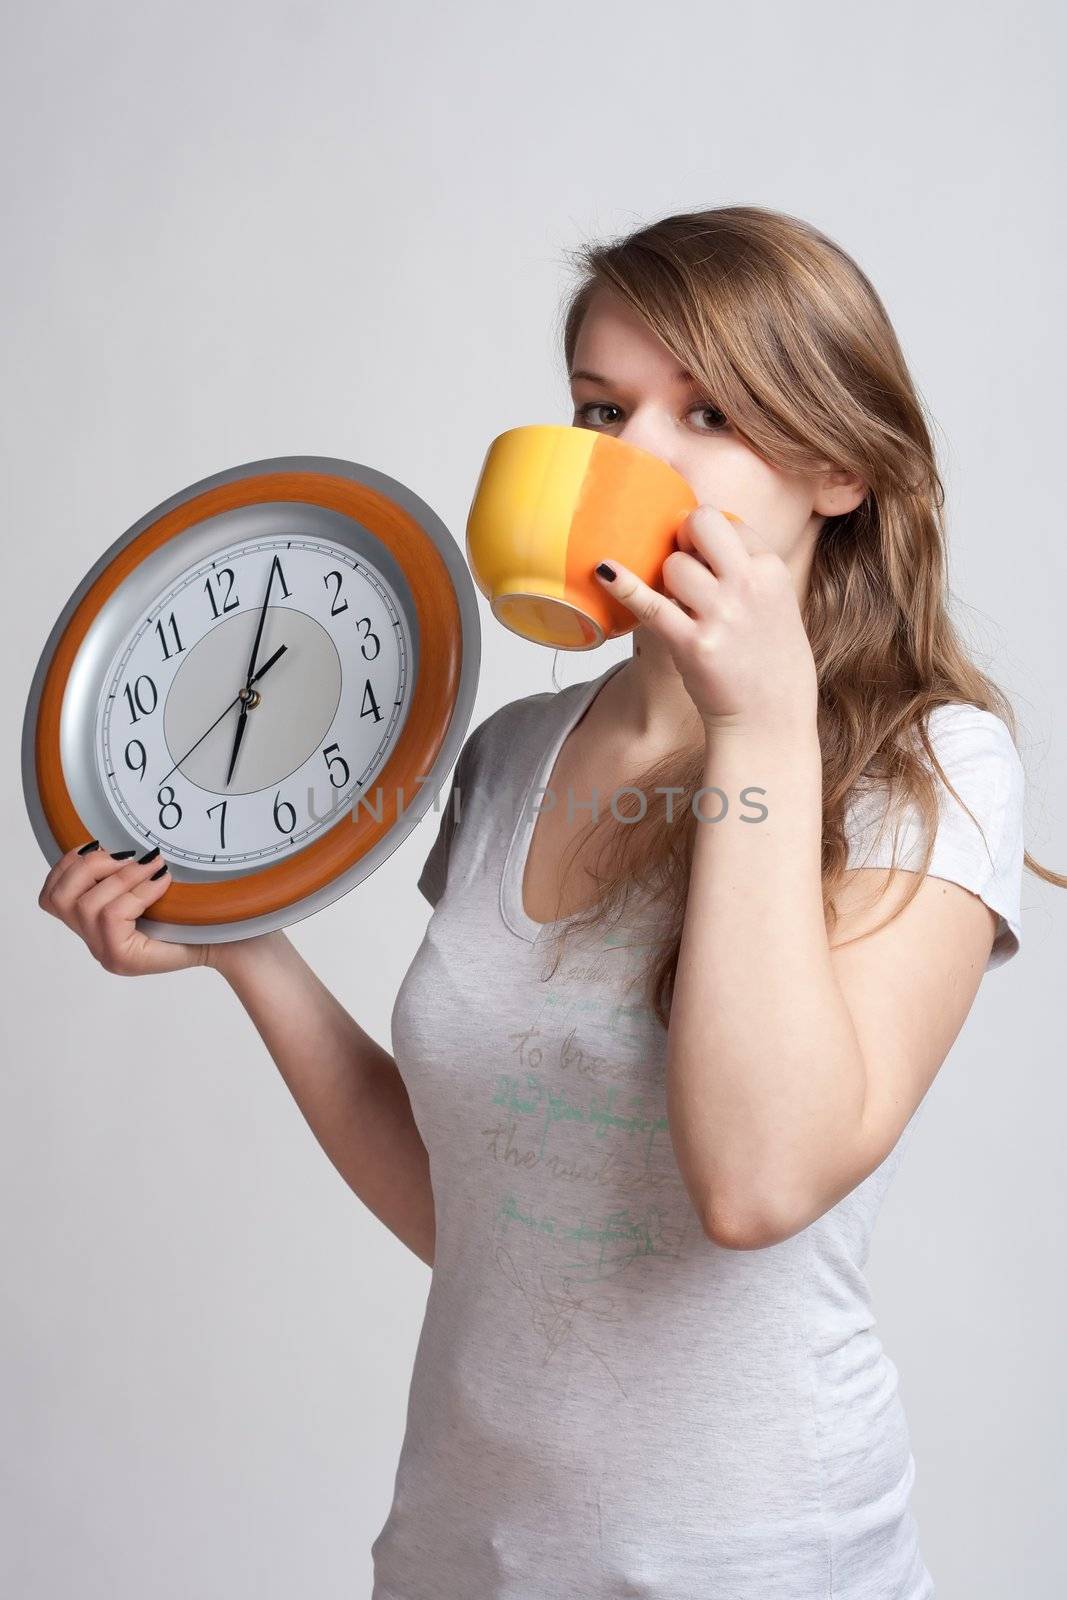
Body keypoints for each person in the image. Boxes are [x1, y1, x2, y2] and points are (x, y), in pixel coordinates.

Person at [38, 204, 1065, 1599]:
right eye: (601, 408)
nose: (632, 456)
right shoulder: (513, 756)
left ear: (834, 464)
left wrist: (762, 729)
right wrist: (250, 950)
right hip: (462, 1557)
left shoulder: (929, 763)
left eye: (708, 411)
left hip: (757, 1569)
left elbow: (758, 1184)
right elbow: (481, 1209)